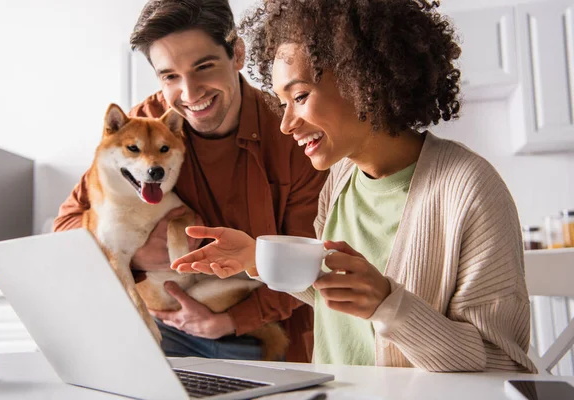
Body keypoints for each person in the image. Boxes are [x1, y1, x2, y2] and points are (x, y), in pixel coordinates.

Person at [172, 0, 537, 372]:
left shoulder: (469, 189)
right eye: (281, 102)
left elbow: (501, 364)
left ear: (362, 76)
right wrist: (256, 259)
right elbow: (339, 299)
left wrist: (389, 305)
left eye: (299, 97)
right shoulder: (341, 179)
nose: (286, 124)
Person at [53, 0, 328, 363]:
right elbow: (67, 227)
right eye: (170, 76)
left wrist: (228, 320)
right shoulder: (145, 126)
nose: (190, 92)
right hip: (162, 329)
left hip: (262, 335)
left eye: (204, 67)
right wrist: (135, 252)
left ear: (238, 54)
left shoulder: (292, 135)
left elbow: (308, 268)